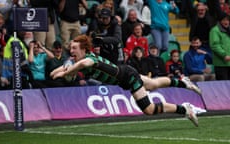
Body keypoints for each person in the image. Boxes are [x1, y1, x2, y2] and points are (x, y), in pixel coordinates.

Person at [51, 34, 201, 127]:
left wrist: (65, 72)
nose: (71, 51)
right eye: (71, 48)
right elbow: (53, 73)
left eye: (74, 48)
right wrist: (62, 70)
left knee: (149, 110)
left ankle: (185, 109)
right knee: (153, 84)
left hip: (128, 77)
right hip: (125, 76)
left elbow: (82, 65)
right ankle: (183, 82)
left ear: (84, 49)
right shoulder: (77, 61)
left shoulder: (89, 59)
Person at [209, 12, 230, 80]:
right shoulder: (215, 30)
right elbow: (215, 45)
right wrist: (224, 55)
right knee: (223, 86)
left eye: (227, 20)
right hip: (221, 64)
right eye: (224, 20)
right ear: (220, 21)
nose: (226, 22)